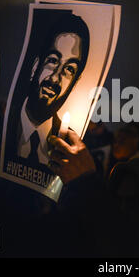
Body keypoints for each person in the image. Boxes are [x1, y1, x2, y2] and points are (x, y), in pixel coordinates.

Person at [16, 14, 90, 165]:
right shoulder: (0, 127)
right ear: (36, 66)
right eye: (53, 61)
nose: (55, 78)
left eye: (69, 69)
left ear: (75, 84)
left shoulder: (71, 149)